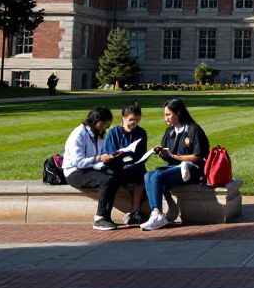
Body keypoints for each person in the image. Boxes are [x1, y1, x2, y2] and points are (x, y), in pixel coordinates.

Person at [140, 97, 210, 231]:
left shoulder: (193, 129)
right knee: (148, 175)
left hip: (194, 169)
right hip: (175, 167)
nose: (165, 118)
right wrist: (162, 153)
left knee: (157, 177)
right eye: (164, 115)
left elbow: (198, 156)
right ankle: (156, 212)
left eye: (168, 115)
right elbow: (168, 155)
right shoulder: (169, 131)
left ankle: (158, 215)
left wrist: (176, 157)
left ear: (178, 112)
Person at [62, 106, 123, 231]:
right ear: (96, 121)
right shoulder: (78, 134)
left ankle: (106, 216)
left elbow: (99, 153)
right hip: (74, 171)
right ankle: (99, 218)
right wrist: (100, 159)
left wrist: (111, 156)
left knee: (115, 176)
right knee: (105, 180)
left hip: (91, 167)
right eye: (105, 123)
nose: (106, 127)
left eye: (108, 124)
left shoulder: (98, 134)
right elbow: (78, 162)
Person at [103, 100, 149, 226]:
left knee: (142, 174)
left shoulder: (141, 133)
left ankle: (135, 211)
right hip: (117, 166)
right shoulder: (114, 132)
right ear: (123, 118)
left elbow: (141, 154)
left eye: (137, 120)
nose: (134, 123)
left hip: (134, 166)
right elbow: (110, 153)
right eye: (132, 120)